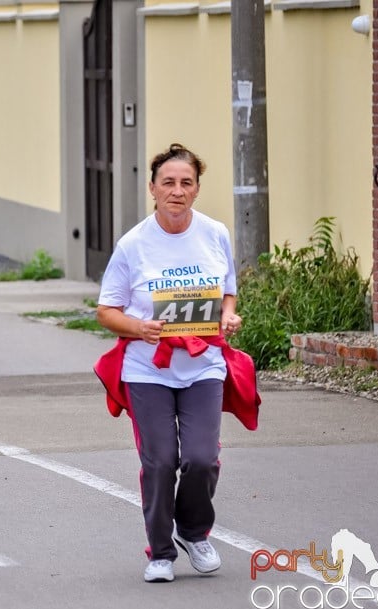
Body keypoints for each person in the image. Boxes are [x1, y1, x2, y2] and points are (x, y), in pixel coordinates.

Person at [92, 143, 260, 584]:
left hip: (203, 365)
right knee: (162, 461)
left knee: (203, 458)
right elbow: (106, 311)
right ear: (152, 188)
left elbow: (227, 290)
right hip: (148, 369)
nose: (177, 191)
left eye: (186, 182)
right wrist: (138, 327)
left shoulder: (214, 233)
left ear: (197, 189)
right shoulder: (134, 245)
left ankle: (192, 531)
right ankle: (161, 551)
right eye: (168, 182)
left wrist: (228, 314)